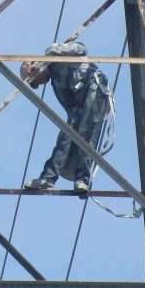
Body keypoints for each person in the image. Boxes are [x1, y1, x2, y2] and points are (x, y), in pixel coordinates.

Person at [21, 41, 113, 193]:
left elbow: (83, 48)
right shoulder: (56, 84)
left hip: (95, 89)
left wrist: (54, 51)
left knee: (86, 133)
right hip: (79, 104)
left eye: (36, 79)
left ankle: (82, 179)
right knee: (66, 135)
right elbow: (70, 108)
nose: (40, 82)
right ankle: (48, 178)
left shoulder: (58, 57)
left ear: (36, 68)